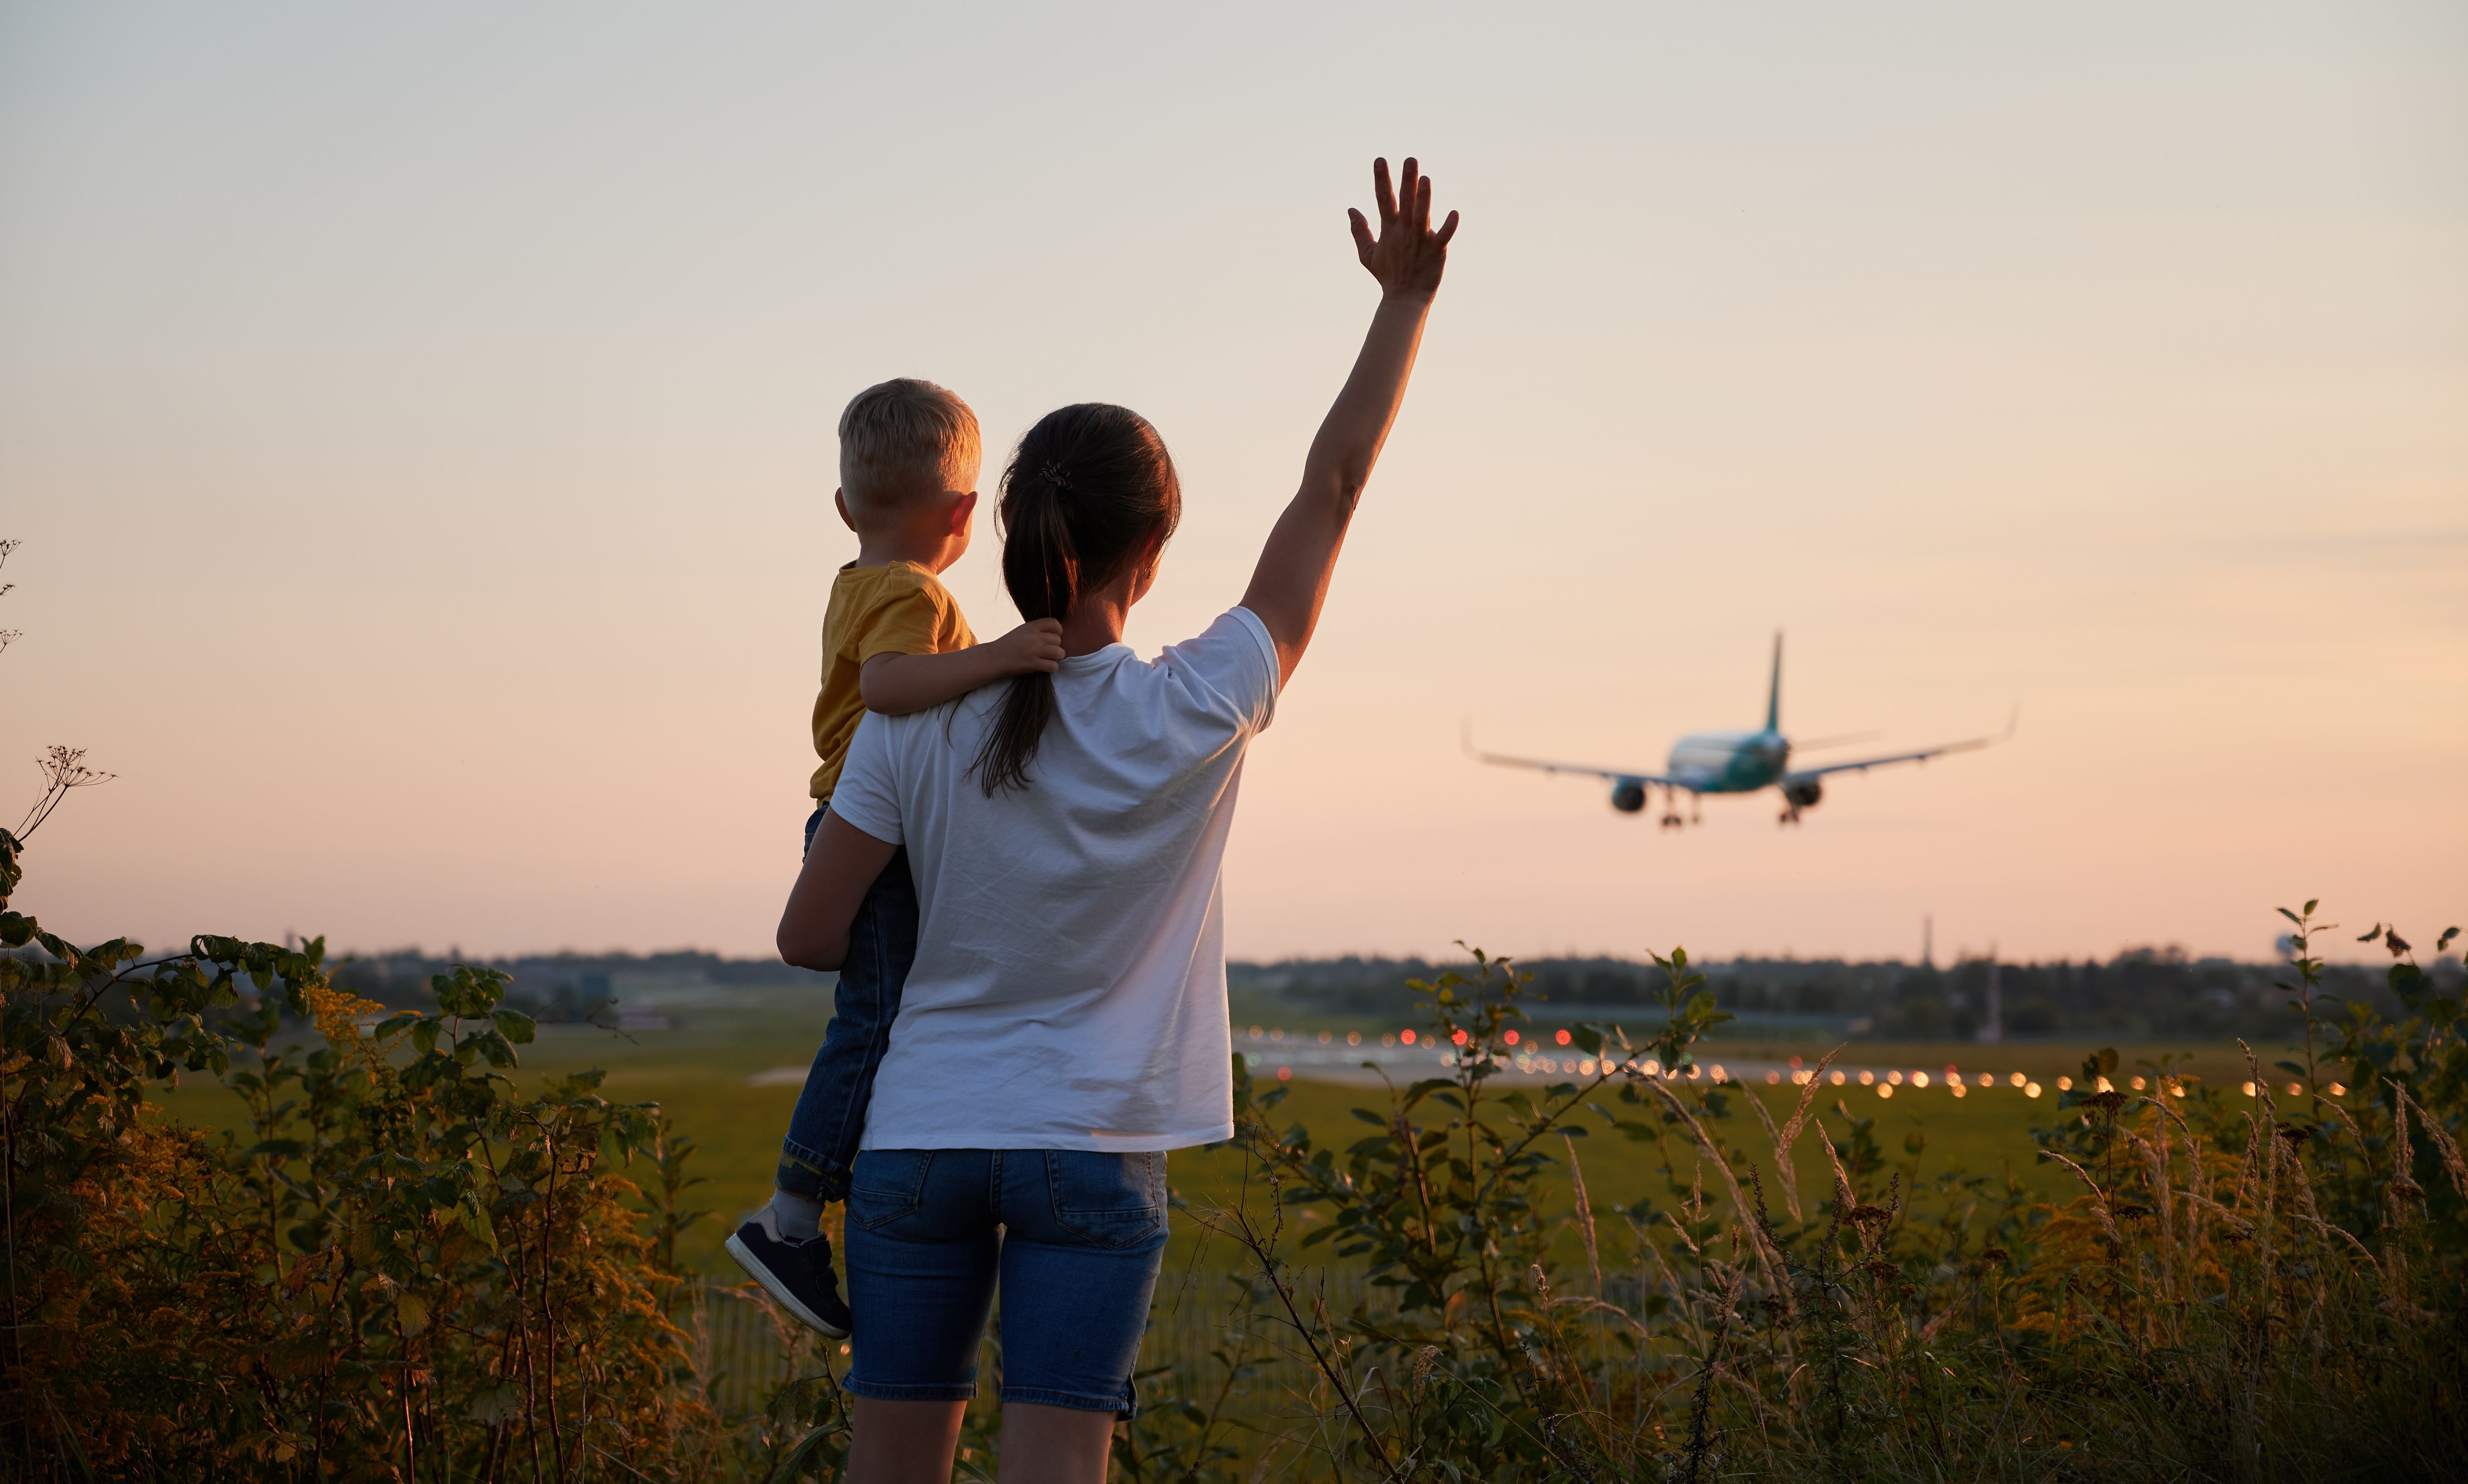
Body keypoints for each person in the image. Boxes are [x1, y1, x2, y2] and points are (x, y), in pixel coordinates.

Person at [777, 157, 1457, 1484]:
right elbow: (1330, 491)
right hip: (1094, 1149)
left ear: (1014, 537)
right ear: (1152, 555)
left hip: (917, 1132)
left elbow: (812, 935)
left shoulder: (912, 712)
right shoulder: (1199, 699)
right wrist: (1402, 304)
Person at [728, 377, 1068, 1338]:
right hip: (864, 829)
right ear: (966, 513)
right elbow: (887, 688)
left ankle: (816, 1198)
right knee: (873, 1019)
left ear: (845, 507)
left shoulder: (856, 582)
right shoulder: (913, 594)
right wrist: (998, 655)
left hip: (859, 827)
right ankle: (792, 1216)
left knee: (881, 1008)